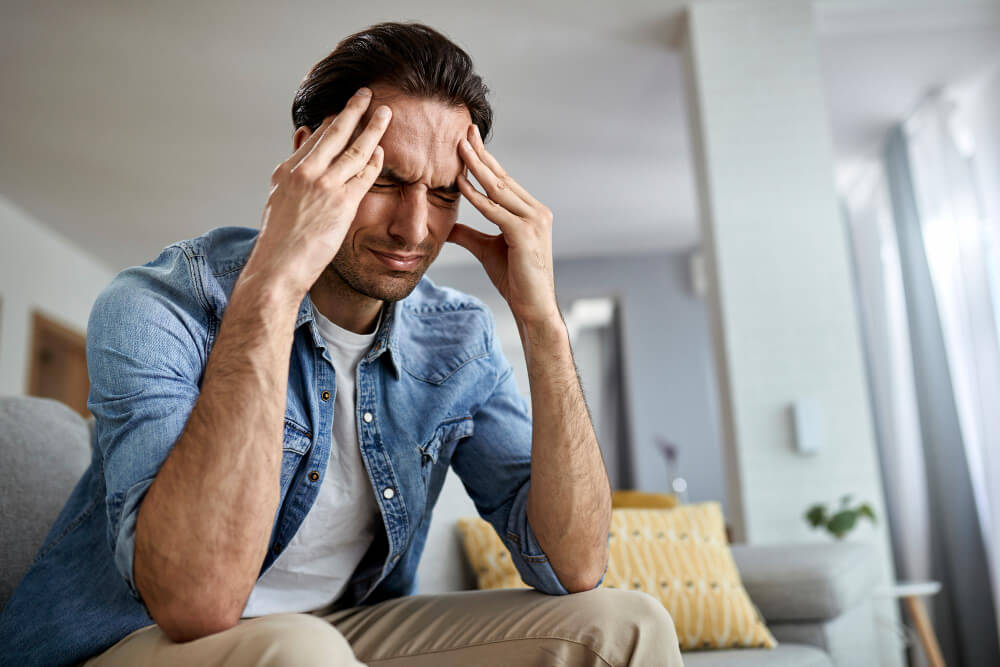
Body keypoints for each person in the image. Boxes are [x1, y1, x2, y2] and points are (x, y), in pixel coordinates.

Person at [0, 22, 682, 666]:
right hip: (135, 638)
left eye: (444, 194)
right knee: (301, 651)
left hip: (339, 632)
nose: (415, 229)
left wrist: (543, 324)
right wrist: (272, 285)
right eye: (385, 180)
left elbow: (572, 564)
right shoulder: (158, 304)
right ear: (308, 158)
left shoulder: (457, 337)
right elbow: (194, 602)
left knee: (627, 624)